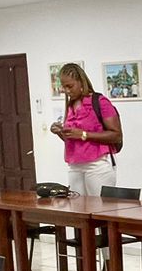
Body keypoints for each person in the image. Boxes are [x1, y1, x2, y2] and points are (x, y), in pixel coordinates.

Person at [50, 63, 123, 197]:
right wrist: (61, 132)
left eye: (70, 86)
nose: (66, 91)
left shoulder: (100, 101)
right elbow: (71, 140)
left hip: (97, 164)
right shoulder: (70, 106)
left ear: (81, 82)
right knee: (77, 209)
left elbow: (116, 135)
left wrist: (83, 134)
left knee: (100, 210)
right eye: (64, 87)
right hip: (75, 165)